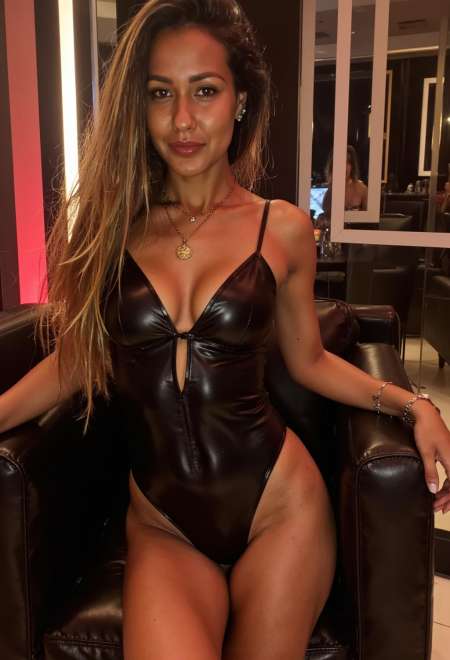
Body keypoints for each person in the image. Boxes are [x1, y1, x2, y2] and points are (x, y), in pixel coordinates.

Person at [0, 1, 449, 658]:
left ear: (240, 101)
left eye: (205, 91)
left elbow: (310, 362)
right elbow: (77, 362)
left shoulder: (282, 227)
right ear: (138, 106)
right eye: (161, 93)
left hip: (280, 511)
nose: (182, 119)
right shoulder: (107, 230)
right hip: (165, 525)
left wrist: (415, 406)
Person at [322, 144, 368, 216]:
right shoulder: (330, 190)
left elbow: (368, 219)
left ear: (352, 166)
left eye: (348, 162)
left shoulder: (362, 189)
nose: (344, 166)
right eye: (341, 161)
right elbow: (326, 216)